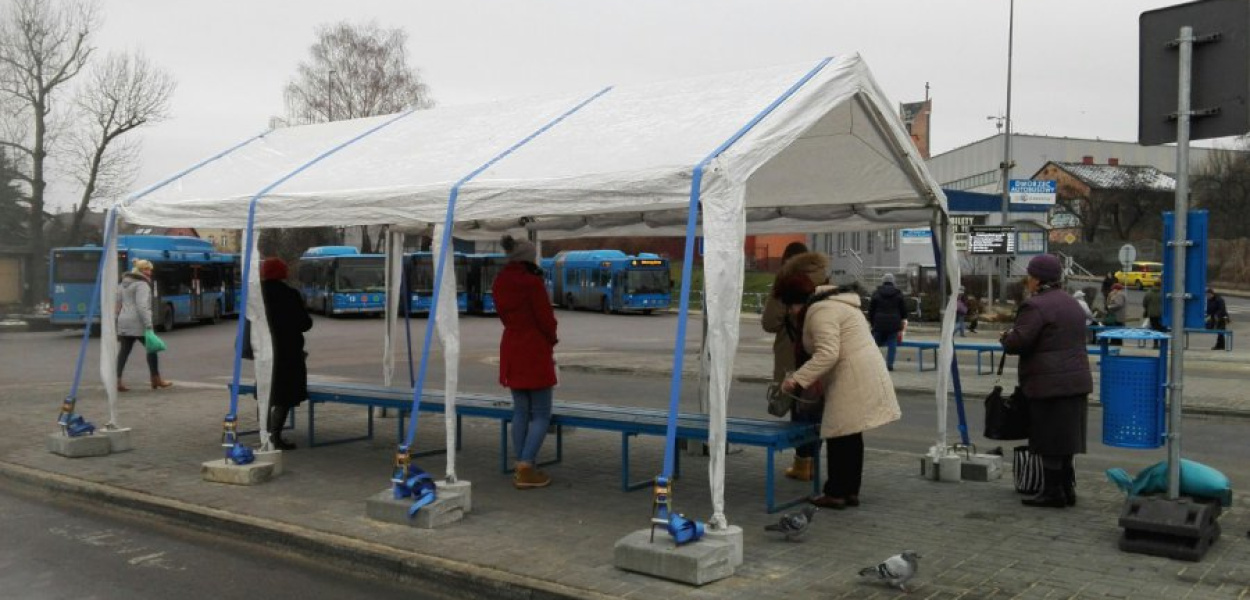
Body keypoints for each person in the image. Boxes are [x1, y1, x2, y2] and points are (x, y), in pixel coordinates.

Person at [780, 276, 901, 510]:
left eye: (791, 306)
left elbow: (827, 353)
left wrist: (797, 379)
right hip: (864, 372)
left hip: (851, 376)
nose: (791, 312)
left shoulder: (820, 311)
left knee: (837, 433)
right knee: (851, 435)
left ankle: (835, 493)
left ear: (800, 304)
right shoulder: (838, 304)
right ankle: (850, 491)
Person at [1000, 254, 1092, 509]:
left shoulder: (1035, 306)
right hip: (1076, 380)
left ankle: (1052, 493)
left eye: (1029, 276)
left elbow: (1019, 342)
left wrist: (1006, 337)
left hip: (1049, 384)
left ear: (1037, 279)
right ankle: (1066, 489)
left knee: (1049, 438)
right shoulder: (1072, 303)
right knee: (1067, 439)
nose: (1027, 281)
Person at [494, 235, 558, 489]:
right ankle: (526, 466)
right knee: (541, 413)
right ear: (528, 258)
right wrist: (551, 338)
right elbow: (546, 319)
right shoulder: (533, 284)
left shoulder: (500, 281)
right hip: (534, 350)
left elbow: (503, 315)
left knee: (520, 411)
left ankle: (521, 465)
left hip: (511, 346)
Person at [761, 244, 828, 481]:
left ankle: (802, 464)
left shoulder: (787, 282)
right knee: (819, 413)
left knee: (799, 410)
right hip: (823, 359)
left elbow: (769, 322)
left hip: (794, 357)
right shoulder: (825, 279)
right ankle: (814, 462)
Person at [259, 257, 311, 451]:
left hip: (264, 350)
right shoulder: (289, 294)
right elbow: (305, 323)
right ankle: (275, 436)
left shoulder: (257, 295)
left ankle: (263, 433)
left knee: (266, 393)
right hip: (287, 353)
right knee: (284, 395)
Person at [116, 259, 173, 391]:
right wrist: (148, 324)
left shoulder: (123, 283)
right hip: (138, 322)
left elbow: (117, 302)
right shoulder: (142, 284)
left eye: (150, 269)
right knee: (152, 348)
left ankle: (117, 381)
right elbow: (142, 306)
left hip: (124, 320)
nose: (150, 272)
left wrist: (117, 319)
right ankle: (156, 379)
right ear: (140, 271)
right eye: (147, 269)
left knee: (124, 352)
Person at [868, 273, 908, 371]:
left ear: (883, 281)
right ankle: (889, 364)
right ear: (893, 282)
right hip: (894, 323)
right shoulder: (898, 293)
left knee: (874, 344)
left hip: (879, 322)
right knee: (892, 343)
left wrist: (873, 323)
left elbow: (871, 310)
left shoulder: (876, 293)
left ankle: (872, 364)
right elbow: (903, 310)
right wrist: (902, 320)